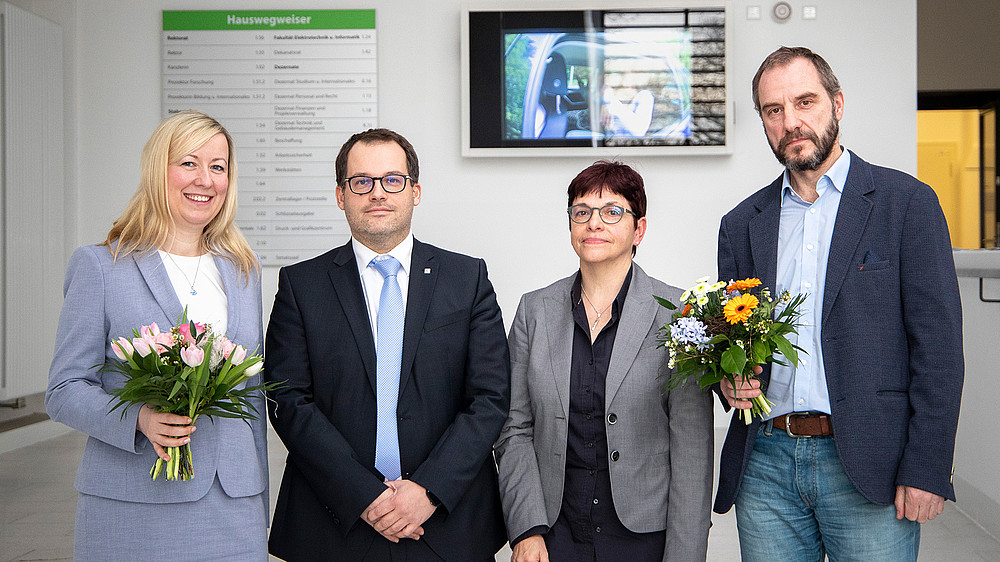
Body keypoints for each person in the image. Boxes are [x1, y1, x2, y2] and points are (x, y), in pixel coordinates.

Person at [715, 46, 964, 561]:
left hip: (871, 463)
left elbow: (938, 353)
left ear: (838, 103)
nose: (791, 122)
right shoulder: (741, 224)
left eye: (805, 102)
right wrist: (728, 381)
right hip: (765, 465)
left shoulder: (907, 205)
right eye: (774, 110)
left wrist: (927, 467)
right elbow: (731, 343)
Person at [264, 128, 510, 561]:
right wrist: (363, 494)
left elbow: (490, 397)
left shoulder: (466, 279)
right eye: (362, 182)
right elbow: (288, 399)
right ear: (341, 196)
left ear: (415, 191)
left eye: (392, 180)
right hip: (332, 525)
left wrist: (428, 490)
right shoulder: (301, 285)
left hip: (446, 526)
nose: (378, 193)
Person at [46, 110, 269, 560]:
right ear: (157, 170)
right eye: (188, 162)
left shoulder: (244, 269)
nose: (204, 179)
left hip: (232, 504)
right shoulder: (101, 266)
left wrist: (258, 496)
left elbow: (252, 396)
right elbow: (64, 389)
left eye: (218, 166)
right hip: (133, 502)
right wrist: (141, 420)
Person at [495, 161, 714, 562]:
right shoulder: (534, 311)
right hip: (552, 534)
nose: (594, 223)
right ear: (571, 226)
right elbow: (514, 427)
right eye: (582, 212)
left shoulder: (679, 314)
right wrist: (526, 529)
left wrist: (685, 555)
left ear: (639, 229)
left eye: (612, 211)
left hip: (645, 537)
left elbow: (692, 450)